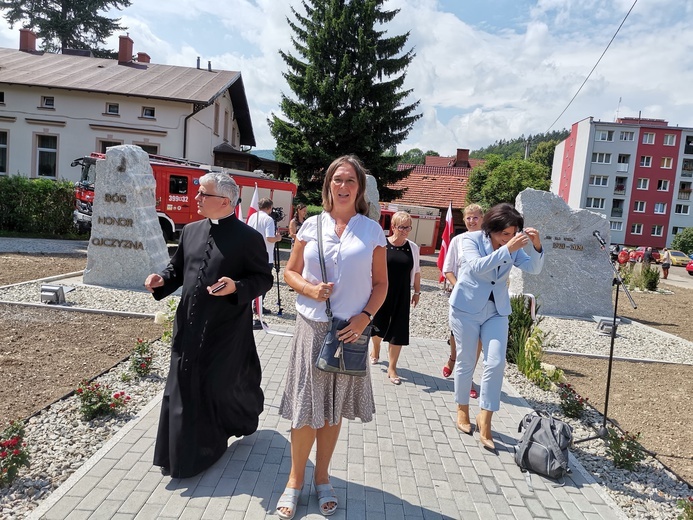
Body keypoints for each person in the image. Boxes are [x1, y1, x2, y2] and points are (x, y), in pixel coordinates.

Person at [276, 155, 387, 519]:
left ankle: (322, 478)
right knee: (306, 410)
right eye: (337, 180)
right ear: (328, 186)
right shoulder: (311, 226)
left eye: (350, 181)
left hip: (351, 330)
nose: (343, 186)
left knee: (333, 409)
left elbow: (382, 284)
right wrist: (310, 289)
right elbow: (290, 272)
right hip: (312, 328)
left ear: (360, 188)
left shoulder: (372, 231)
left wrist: (365, 317)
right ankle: (295, 481)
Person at [144, 172, 274, 478]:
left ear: (225, 201)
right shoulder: (190, 230)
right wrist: (161, 279)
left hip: (225, 328)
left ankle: (226, 430)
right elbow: (177, 268)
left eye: (204, 194)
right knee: (182, 386)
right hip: (188, 324)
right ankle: (182, 454)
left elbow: (262, 279)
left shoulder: (248, 238)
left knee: (216, 385)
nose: (197, 199)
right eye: (198, 193)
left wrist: (236, 287)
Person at [449, 203, 544, 454]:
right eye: (505, 234)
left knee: (495, 362)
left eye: (514, 233)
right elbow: (476, 267)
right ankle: (462, 409)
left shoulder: (512, 245)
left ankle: (486, 419)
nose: (510, 238)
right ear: (491, 229)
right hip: (466, 309)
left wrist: (536, 245)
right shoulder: (469, 240)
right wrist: (507, 250)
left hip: (497, 312)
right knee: (466, 361)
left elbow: (533, 268)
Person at [370, 211, 421, 385]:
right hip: (381, 291)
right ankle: (375, 348)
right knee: (378, 324)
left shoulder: (412, 248)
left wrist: (417, 292)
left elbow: (417, 272)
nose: (405, 231)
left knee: (398, 329)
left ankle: (392, 368)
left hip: (402, 293)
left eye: (408, 227)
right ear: (393, 227)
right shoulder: (382, 245)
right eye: (402, 227)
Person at [442, 204, 484, 401]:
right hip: (461, 298)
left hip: (483, 300)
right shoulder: (458, 241)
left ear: (482, 219)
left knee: (477, 340)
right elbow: (448, 269)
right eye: (468, 218)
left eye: (475, 218)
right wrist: (459, 287)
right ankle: (452, 358)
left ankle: (468, 380)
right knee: (457, 337)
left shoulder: (488, 240)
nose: (471, 221)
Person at [247, 197, 283, 319]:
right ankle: (258, 305)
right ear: (269, 208)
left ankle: (251, 303)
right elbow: (269, 238)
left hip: (251, 254)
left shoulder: (253, 216)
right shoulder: (268, 219)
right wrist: (278, 238)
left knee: (251, 280)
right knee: (264, 282)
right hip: (265, 255)